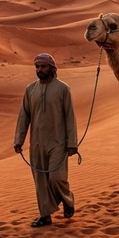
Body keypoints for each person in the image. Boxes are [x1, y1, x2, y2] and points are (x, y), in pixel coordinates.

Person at [14, 53, 78, 228]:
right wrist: (19, 140)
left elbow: (70, 117)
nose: (39, 70)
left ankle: (68, 200)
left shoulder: (63, 89)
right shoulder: (30, 90)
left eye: (43, 66)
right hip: (37, 143)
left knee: (56, 179)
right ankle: (45, 215)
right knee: (40, 180)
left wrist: (72, 143)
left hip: (58, 142)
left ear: (52, 68)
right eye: (37, 67)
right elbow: (23, 116)